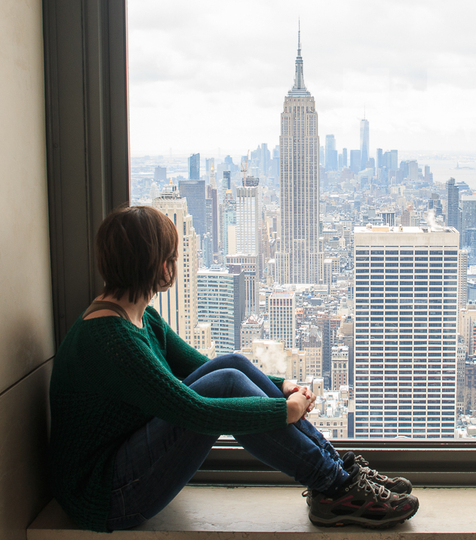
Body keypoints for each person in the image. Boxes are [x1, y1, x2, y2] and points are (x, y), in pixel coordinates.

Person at [48, 205, 418, 532]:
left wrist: (283, 385)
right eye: (173, 256)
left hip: (119, 468)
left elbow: (207, 368)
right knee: (226, 381)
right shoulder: (112, 339)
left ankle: (338, 473)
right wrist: (283, 411)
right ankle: (334, 487)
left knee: (232, 363)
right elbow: (193, 409)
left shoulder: (137, 317)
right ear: (161, 265)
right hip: (108, 496)